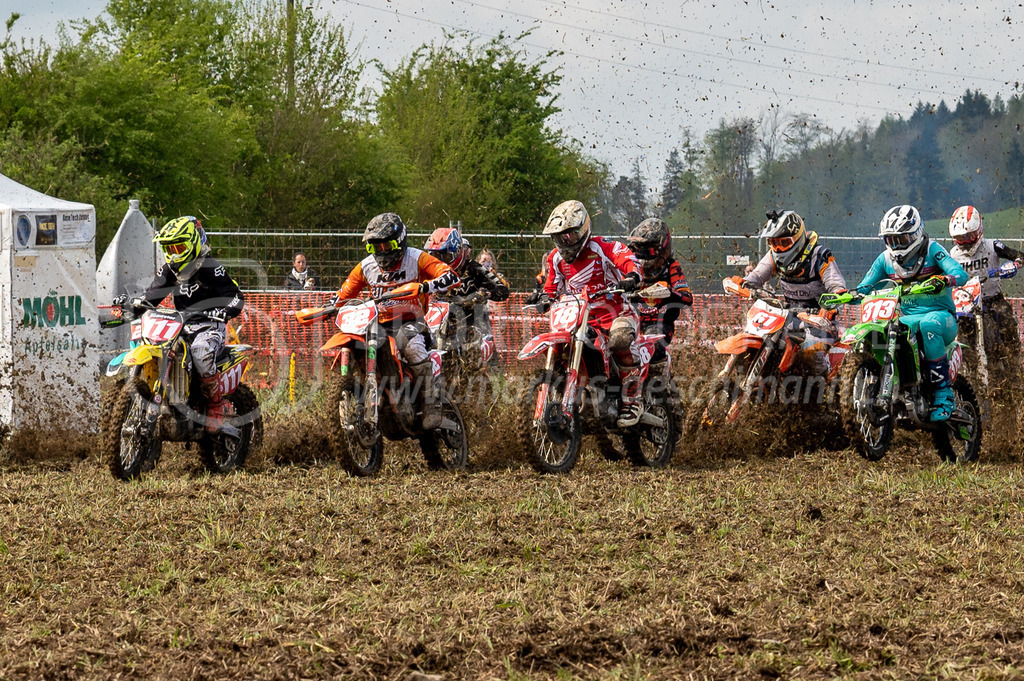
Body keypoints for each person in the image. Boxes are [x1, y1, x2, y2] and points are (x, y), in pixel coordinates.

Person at [329, 213, 459, 429]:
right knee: (353, 344)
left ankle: (431, 404)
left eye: (385, 245)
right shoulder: (366, 267)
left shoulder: (417, 258)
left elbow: (451, 276)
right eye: (374, 247)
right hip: (376, 323)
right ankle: (361, 398)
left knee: (412, 347)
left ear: (399, 242)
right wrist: (329, 307)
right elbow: (343, 294)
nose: (380, 252)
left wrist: (426, 286)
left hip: (411, 321)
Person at [128, 216, 244, 432]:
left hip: (209, 326)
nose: (173, 253)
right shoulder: (169, 270)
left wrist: (224, 310)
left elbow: (235, 296)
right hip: (180, 325)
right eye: (168, 248)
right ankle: (167, 400)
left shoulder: (210, 267)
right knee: (157, 346)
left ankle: (215, 406)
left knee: (199, 352)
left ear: (193, 242)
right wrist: (136, 306)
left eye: (178, 247)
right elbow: (152, 295)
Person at [538, 199, 646, 427]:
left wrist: (631, 276)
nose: (565, 242)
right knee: (560, 347)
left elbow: (627, 259)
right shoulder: (555, 259)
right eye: (559, 237)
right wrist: (543, 297)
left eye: (569, 236)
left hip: (616, 313)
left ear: (583, 229)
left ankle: (632, 400)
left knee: (619, 340)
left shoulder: (603, 247)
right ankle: (574, 395)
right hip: (579, 318)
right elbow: (551, 286)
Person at [856, 204, 968, 421]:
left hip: (941, 316)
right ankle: (892, 388)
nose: (896, 245)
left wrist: (945, 279)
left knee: (928, 324)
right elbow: (864, 286)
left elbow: (959, 273)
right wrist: (847, 295)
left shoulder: (933, 250)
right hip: (907, 320)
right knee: (884, 328)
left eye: (901, 239)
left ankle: (944, 396)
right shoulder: (885, 260)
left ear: (916, 233)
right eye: (890, 240)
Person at [727, 209, 847, 375]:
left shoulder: (819, 255)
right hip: (787, 318)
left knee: (812, 354)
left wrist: (832, 304)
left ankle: (823, 388)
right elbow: (756, 277)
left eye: (784, 243)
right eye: (773, 243)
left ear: (797, 239)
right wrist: (743, 283)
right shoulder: (773, 256)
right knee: (757, 335)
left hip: (819, 321)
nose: (778, 248)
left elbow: (836, 285)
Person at [947, 205, 1023, 360]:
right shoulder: (952, 255)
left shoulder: (992, 245)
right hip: (966, 303)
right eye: (961, 238)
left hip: (992, 298)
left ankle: (1015, 360)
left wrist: (1015, 264)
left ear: (979, 230)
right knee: (960, 329)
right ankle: (967, 361)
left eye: (969, 236)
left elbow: (1019, 255)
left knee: (1006, 319)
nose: (966, 242)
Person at [423, 227, 510, 344]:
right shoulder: (430, 269)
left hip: (470, 319)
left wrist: (484, 294)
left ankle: (489, 359)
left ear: (457, 252)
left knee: (478, 342)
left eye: (445, 256)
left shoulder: (475, 268)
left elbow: (502, 290)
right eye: (435, 256)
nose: (440, 261)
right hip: (437, 317)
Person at [625, 217, 693, 363]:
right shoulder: (630, 267)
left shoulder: (671, 266)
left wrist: (669, 291)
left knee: (652, 346)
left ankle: (659, 381)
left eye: (648, 250)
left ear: (662, 249)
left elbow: (687, 297)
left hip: (659, 324)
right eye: (638, 250)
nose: (642, 255)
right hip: (631, 320)